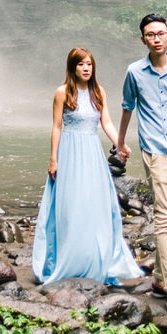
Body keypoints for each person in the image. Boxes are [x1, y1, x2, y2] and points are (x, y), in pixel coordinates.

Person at [32, 47, 143, 286]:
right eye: (81, 64)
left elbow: (107, 123)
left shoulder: (98, 91)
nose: (86, 68)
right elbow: (57, 127)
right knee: (71, 205)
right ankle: (69, 260)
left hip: (92, 152)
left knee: (94, 204)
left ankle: (95, 259)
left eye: (89, 64)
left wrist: (120, 144)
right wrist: (53, 158)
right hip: (70, 152)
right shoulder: (62, 92)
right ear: (73, 67)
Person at [116, 14, 167, 315]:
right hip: (154, 151)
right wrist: (121, 143)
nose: (157, 38)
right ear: (143, 40)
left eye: (161, 33)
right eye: (151, 34)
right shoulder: (135, 72)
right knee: (164, 219)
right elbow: (127, 107)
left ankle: (161, 280)